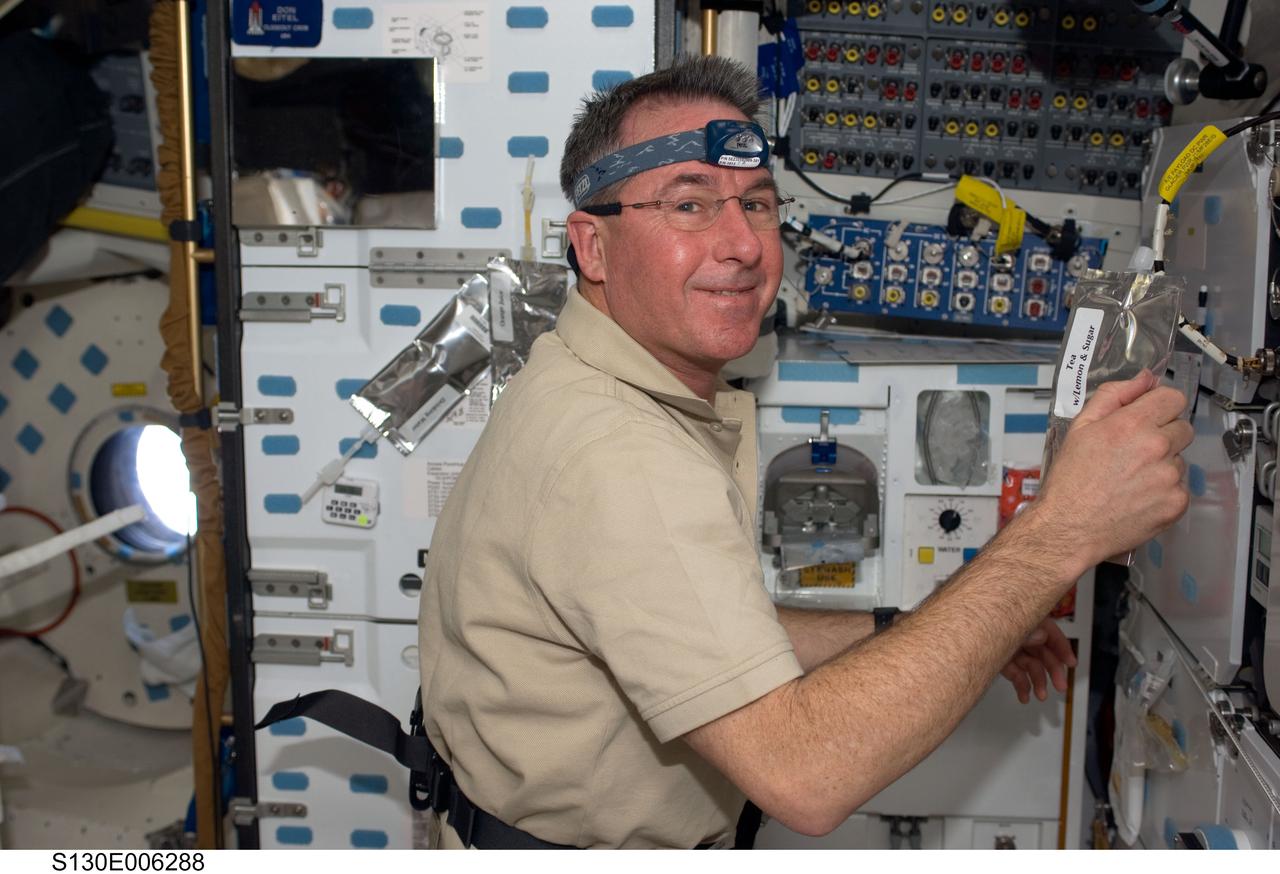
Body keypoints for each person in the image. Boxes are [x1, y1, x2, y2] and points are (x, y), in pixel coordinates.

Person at [416, 55, 1192, 849]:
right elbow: (808, 775)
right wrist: (1061, 530)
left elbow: (710, 638)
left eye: (756, 205)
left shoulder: (587, 381)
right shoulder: (617, 452)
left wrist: (926, 628)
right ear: (594, 248)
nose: (743, 244)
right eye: (688, 205)